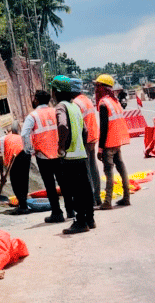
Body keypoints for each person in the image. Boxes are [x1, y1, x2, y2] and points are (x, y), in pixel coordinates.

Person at [50, 76, 95, 234]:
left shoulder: (61, 107)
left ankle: (80, 222)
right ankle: (90, 219)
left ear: (56, 91)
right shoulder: (75, 106)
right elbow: (85, 130)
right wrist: (80, 145)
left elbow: (63, 125)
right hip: (81, 154)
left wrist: (62, 146)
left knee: (75, 190)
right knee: (85, 188)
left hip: (70, 157)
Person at [21, 89, 72, 223]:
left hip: (43, 155)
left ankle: (57, 212)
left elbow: (24, 134)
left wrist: (29, 150)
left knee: (50, 185)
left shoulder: (33, 116)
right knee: (64, 183)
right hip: (59, 153)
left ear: (37, 100)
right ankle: (70, 210)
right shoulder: (55, 111)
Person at [94, 74, 131, 209]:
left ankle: (107, 202)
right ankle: (126, 197)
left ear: (102, 87)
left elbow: (104, 128)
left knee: (109, 172)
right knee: (121, 169)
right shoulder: (114, 102)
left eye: (97, 86)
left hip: (109, 143)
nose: (95, 89)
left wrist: (100, 148)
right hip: (118, 141)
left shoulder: (104, 104)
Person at [0, 124, 31, 215]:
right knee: (24, 179)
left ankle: (23, 207)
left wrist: (2, 175)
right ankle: (24, 205)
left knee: (15, 181)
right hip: (26, 150)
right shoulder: (3, 139)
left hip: (17, 154)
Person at [72, 79, 102, 206]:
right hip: (92, 136)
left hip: (84, 138)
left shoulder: (75, 103)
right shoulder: (86, 99)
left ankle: (91, 199)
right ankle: (97, 196)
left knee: (86, 170)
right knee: (93, 167)